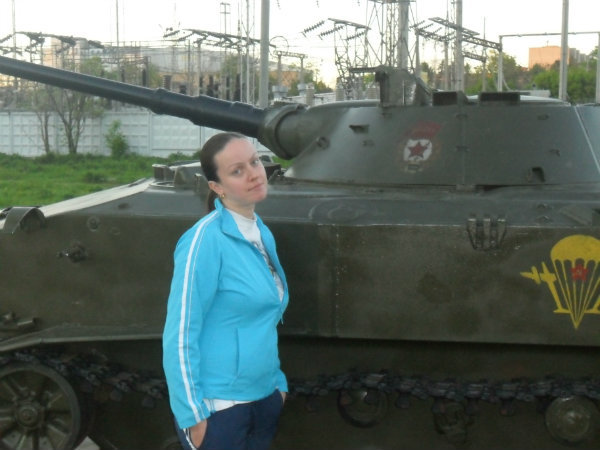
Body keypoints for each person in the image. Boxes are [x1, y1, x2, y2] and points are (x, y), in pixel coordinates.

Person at [162, 132, 289, 450]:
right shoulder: (205, 241)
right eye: (237, 171)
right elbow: (180, 334)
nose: (254, 174)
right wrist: (193, 416)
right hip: (221, 408)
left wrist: (278, 384)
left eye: (255, 162)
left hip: (263, 398)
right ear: (217, 186)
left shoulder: (260, 232)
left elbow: (263, 318)